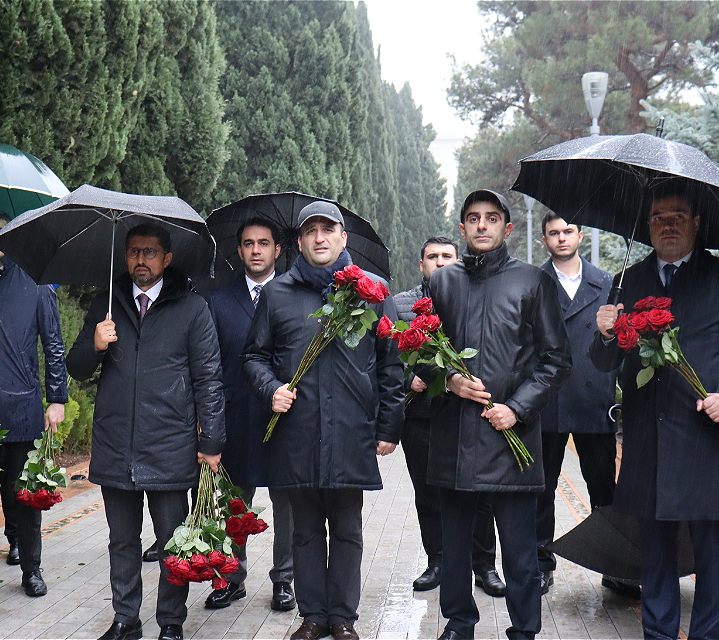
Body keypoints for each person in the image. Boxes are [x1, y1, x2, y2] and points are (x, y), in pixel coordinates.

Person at [592, 185, 719, 640]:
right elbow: (604, 363)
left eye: (678, 215)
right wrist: (604, 335)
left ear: (696, 223)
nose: (667, 224)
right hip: (649, 443)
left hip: (705, 440)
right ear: (648, 226)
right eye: (658, 217)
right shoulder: (628, 283)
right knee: (654, 558)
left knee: (713, 556)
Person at [242, 201, 403, 640]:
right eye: (311, 231)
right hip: (298, 431)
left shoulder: (373, 291)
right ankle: (312, 616)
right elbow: (254, 356)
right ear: (299, 242)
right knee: (306, 530)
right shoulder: (279, 294)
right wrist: (270, 388)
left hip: (352, 432)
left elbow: (391, 364)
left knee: (348, 529)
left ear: (342, 238)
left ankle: (343, 618)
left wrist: (389, 427)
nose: (320, 238)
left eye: (328, 230)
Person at [422, 189, 570, 640]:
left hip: (513, 442)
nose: (481, 225)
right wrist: (449, 380)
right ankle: (459, 621)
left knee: (519, 549)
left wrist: (517, 408)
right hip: (455, 437)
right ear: (463, 228)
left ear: (506, 229)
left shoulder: (533, 282)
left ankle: (524, 629)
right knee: (456, 543)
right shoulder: (442, 283)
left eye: (491, 218)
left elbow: (556, 359)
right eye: (473, 218)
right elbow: (421, 353)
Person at [67, 222, 225, 640]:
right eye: (134, 251)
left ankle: (171, 623)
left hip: (170, 443)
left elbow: (209, 378)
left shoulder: (191, 309)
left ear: (166, 258)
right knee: (122, 541)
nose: (141, 259)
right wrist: (96, 345)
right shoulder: (108, 304)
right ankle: (126, 619)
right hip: (116, 441)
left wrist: (211, 440)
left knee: (172, 542)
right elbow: (77, 367)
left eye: (150, 252)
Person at [0, 209, 68, 601]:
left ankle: (32, 569)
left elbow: (53, 343)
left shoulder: (35, 283)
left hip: (21, 407)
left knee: (23, 495)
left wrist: (56, 398)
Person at [393, 237, 506, 597]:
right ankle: (438, 560)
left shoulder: (476, 298)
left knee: (481, 493)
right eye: (432, 257)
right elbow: (383, 359)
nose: (440, 262)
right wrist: (404, 377)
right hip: (422, 416)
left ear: (459, 261)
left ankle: (484, 565)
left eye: (447, 256)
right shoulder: (400, 305)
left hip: (468, 414)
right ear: (421, 264)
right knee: (427, 494)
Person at [205, 218, 296, 612]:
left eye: (264, 243)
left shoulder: (298, 297)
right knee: (233, 504)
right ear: (239, 251)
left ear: (278, 250)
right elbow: (207, 366)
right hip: (235, 419)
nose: (256, 250)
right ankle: (231, 576)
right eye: (248, 243)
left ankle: (285, 581)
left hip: (284, 420)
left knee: (289, 507)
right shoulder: (218, 300)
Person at [533, 213, 627, 597]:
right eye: (553, 233)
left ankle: (614, 564)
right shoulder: (534, 282)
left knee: (603, 490)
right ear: (544, 240)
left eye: (567, 231)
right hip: (549, 399)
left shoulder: (608, 283)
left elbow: (621, 344)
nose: (561, 238)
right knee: (541, 490)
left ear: (581, 235)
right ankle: (540, 564)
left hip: (594, 397)